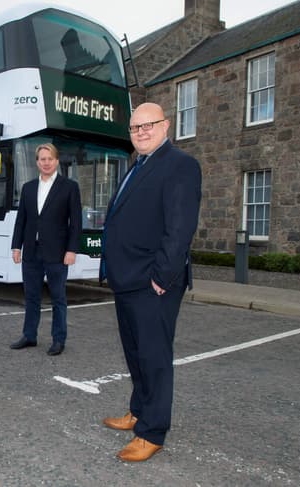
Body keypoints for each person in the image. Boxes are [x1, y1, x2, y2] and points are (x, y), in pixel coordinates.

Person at [100, 102, 202, 462]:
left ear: (166, 125)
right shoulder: (137, 165)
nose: (141, 132)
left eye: (149, 125)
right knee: (135, 352)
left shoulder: (181, 165)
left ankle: (153, 431)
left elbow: (180, 228)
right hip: (127, 279)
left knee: (155, 357)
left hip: (152, 282)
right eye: (135, 127)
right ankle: (139, 411)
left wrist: (162, 276)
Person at [10, 143, 82, 356]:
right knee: (31, 296)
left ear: (57, 161)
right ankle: (29, 335)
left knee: (58, 298)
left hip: (58, 253)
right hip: (31, 251)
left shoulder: (69, 187)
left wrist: (72, 250)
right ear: (37, 162)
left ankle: (58, 339)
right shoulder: (28, 188)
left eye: (50, 158)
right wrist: (16, 246)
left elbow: (75, 222)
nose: (46, 162)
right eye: (42, 159)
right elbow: (21, 220)